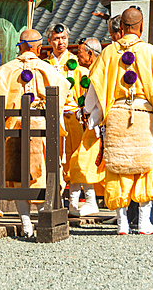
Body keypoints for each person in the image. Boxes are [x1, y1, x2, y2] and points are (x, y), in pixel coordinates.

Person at [83, 8, 153, 235]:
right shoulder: (151, 53)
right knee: (145, 167)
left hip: (116, 114)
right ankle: (144, 222)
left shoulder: (108, 53)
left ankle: (122, 224)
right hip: (144, 115)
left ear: (121, 28)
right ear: (141, 27)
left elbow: (95, 90)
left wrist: (92, 114)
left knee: (117, 167)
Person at [0, 29, 70, 237]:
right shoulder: (48, 70)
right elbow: (64, 93)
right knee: (45, 172)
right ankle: (43, 219)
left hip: (14, 126)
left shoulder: (5, 70)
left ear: (20, 46)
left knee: (18, 175)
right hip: (42, 126)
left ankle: (25, 224)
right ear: (39, 47)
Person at [65, 37, 104, 217]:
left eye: (79, 52)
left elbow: (91, 103)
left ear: (89, 53)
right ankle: (74, 203)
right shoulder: (97, 68)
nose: (77, 56)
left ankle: (89, 201)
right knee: (78, 161)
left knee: (82, 161)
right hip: (92, 122)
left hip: (96, 123)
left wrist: (84, 113)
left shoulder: (97, 70)